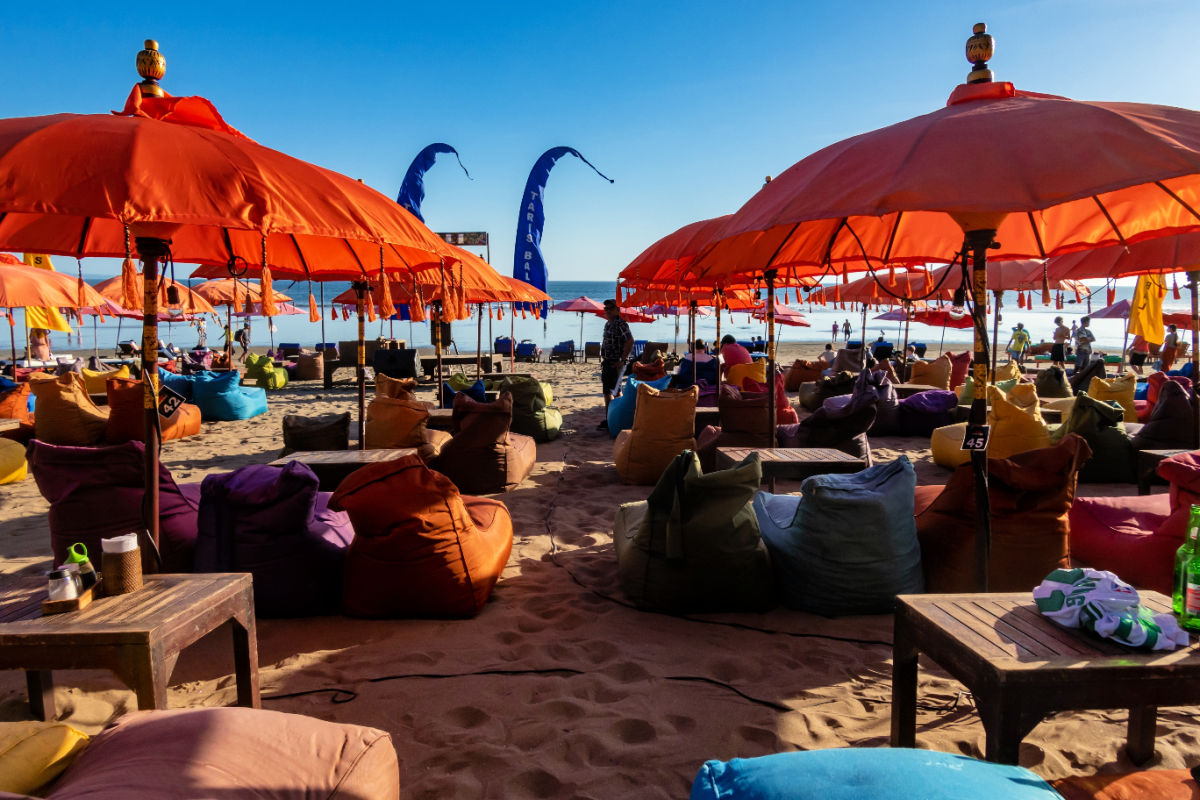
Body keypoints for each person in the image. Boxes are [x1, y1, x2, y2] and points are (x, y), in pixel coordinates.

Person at [598, 299, 633, 430]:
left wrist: (622, 360)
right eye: (605, 308)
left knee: (611, 392)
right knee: (613, 391)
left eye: (610, 308)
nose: (607, 310)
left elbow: (630, 341)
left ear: (617, 310)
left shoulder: (621, 324)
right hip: (608, 362)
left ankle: (611, 420)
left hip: (615, 362)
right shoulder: (608, 324)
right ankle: (613, 419)